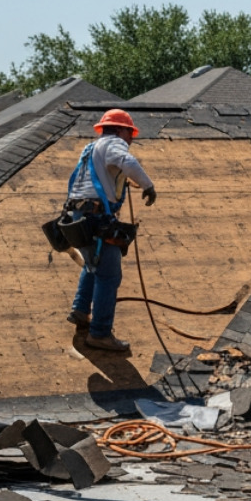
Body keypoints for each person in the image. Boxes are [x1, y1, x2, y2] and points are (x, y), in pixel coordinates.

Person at [65, 109, 157, 353]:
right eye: (130, 133)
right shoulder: (114, 144)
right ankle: (100, 334)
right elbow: (128, 162)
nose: (131, 139)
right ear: (119, 130)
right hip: (97, 219)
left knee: (92, 265)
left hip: (79, 217)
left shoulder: (90, 149)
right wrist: (148, 186)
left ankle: (80, 310)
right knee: (109, 275)